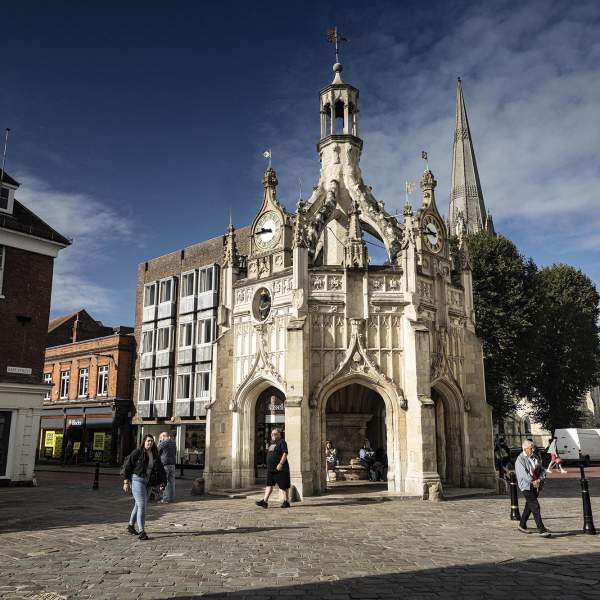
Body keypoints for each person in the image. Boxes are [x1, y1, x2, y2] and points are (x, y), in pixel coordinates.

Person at [121, 434, 167, 540]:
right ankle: (142, 531)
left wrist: (163, 483)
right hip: (137, 480)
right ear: (144, 442)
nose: (150, 443)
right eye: (148, 441)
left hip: (148, 482)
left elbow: (160, 469)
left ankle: (130, 526)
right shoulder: (137, 452)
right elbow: (128, 466)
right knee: (142, 505)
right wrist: (126, 482)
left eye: (151, 441)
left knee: (138, 505)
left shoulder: (154, 454)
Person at [515, 439, 550, 537]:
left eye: (533, 447)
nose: (533, 450)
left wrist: (540, 479)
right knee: (535, 505)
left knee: (529, 506)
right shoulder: (520, 459)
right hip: (526, 486)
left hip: (536, 485)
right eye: (531, 448)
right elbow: (523, 475)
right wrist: (533, 481)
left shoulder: (535, 457)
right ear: (525, 448)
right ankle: (541, 529)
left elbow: (542, 470)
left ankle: (522, 525)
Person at [255, 428, 290, 509]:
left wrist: (281, 464)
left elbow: (285, 453)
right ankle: (265, 501)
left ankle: (286, 501)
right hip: (271, 468)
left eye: (275, 434)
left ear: (279, 434)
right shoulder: (271, 443)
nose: (273, 435)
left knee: (283, 485)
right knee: (269, 485)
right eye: (272, 434)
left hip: (279, 468)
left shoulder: (282, 442)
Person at [158, 431, 177, 502]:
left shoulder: (163, 443)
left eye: (160, 437)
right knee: (171, 482)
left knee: (164, 482)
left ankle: (165, 498)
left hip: (165, 464)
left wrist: (159, 442)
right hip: (172, 464)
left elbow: (157, 452)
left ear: (163, 436)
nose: (160, 438)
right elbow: (175, 452)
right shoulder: (174, 443)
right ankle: (171, 498)